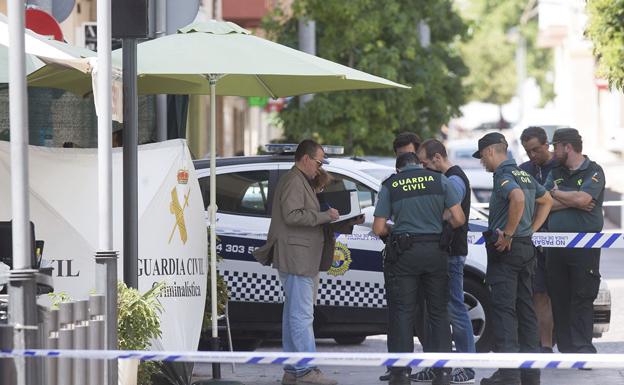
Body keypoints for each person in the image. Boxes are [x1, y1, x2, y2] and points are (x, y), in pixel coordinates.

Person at [253, 139, 363, 385]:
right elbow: (293, 216)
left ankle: (293, 369)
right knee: (302, 315)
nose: (320, 166)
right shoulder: (294, 180)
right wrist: (325, 215)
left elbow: (301, 216)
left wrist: (342, 220)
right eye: (318, 161)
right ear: (305, 159)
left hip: (300, 256)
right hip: (298, 256)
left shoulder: (300, 180)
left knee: (294, 313)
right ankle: (306, 370)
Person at [373, 152, 466, 385]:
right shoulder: (439, 180)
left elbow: (378, 228)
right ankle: (442, 372)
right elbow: (459, 218)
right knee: (438, 312)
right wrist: (438, 223)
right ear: (420, 165)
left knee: (403, 312)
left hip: (404, 254)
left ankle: (400, 373)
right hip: (436, 253)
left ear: (398, 169)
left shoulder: (391, 184)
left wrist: (395, 232)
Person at [473, 132, 552, 385]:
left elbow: (517, 198)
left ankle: (509, 375)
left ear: (489, 152)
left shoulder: (504, 176)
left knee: (505, 312)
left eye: (482, 158)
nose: (482, 163)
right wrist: (530, 230)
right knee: (526, 311)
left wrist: (508, 233)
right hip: (525, 249)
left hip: (507, 252)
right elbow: (547, 200)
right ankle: (530, 375)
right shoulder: (523, 173)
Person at [415, 139, 475, 384]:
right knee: (438, 311)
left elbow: (450, 213)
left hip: (451, 252)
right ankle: (438, 365)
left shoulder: (454, 180)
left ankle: (467, 367)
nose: (422, 168)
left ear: (437, 158)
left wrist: (425, 217)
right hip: (442, 252)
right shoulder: (450, 178)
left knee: (455, 308)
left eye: (424, 162)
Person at [544, 128, 605, 354]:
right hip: (557, 246)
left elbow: (585, 198)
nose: (552, 151)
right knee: (559, 297)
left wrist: (559, 195)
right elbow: (545, 201)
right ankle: (567, 350)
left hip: (584, 247)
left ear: (567, 147)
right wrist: (573, 199)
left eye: (555, 146)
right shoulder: (555, 172)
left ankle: (583, 349)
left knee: (582, 296)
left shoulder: (594, 171)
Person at [379, 131, 425, 382]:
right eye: (400, 156)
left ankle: (431, 364)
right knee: (398, 313)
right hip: (400, 253)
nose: (403, 160)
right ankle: (398, 366)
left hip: (423, 253)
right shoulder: (390, 182)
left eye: (408, 154)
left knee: (426, 313)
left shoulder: (434, 179)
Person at [519, 126, 559, 353]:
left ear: (547, 145)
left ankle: (571, 344)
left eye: (536, 150)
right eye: (528, 151)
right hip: (534, 242)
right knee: (539, 294)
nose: (532, 155)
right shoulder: (524, 170)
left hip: (561, 242)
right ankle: (544, 346)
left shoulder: (561, 166)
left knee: (563, 294)